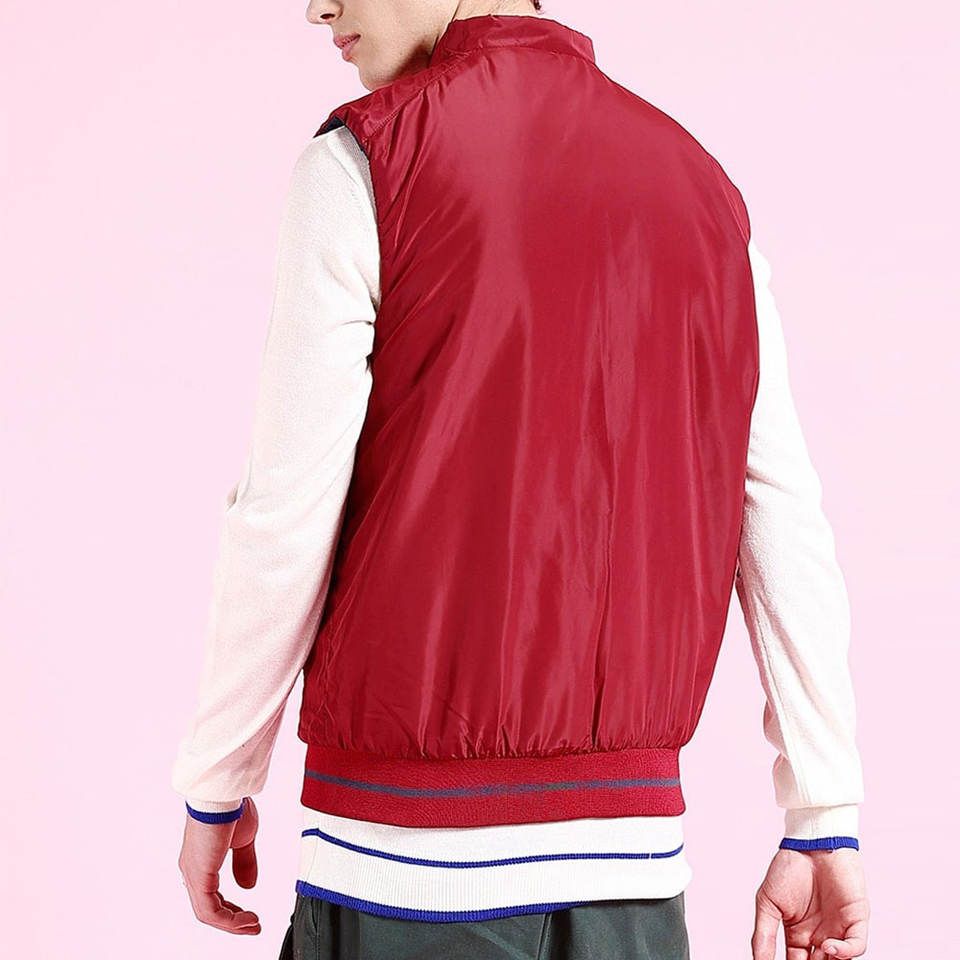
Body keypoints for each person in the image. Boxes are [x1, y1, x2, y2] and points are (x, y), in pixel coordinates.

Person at [172, 2, 870, 958]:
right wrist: (823, 813)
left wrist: (219, 777)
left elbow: (283, 516)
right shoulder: (704, 189)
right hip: (633, 887)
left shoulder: (366, 163)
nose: (317, 5)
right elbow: (778, 509)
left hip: (407, 872)